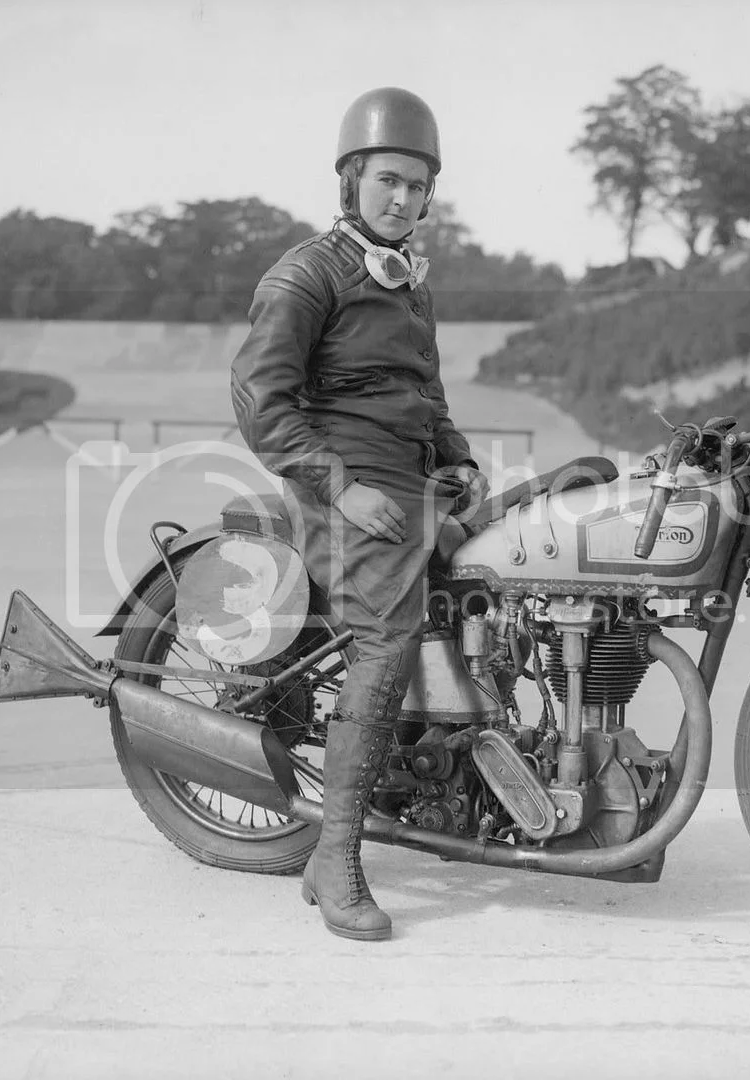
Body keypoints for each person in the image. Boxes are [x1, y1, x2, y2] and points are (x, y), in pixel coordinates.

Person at [230, 86, 489, 941]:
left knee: (510, 572)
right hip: (345, 492)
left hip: (411, 484)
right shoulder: (306, 275)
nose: (402, 199)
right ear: (350, 180)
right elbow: (261, 401)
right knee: (386, 642)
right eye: (387, 180)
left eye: (417, 185)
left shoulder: (408, 282)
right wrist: (339, 485)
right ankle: (334, 858)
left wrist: (458, 458)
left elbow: (426, 397)